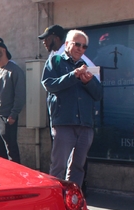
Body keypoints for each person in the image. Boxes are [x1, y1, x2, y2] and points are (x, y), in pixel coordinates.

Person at [42, 30, 103, 188]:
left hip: (85, 124)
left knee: (78, 167)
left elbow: (99, 94)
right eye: (77, 44)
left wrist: (88, 82)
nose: (80, 49)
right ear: (67, 44)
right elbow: (48, 84)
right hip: (64, 122)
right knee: (58, 167)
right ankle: (55, 202)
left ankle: (73, 203)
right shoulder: (55, 61)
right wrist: (73, 75)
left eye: (84, 46)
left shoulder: (88, 65)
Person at [0, 41, 26, 163]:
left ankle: (16, 178)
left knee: (11, 151)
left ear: (3, 50)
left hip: (7, 118)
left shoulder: (14, 71)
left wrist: (13, 115)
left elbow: (20, 95)